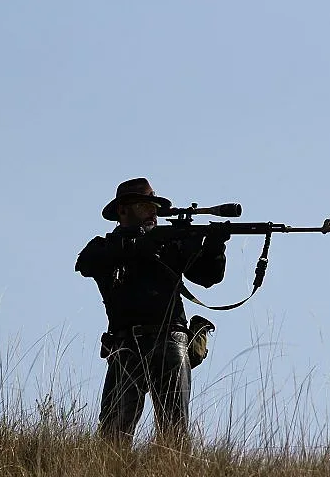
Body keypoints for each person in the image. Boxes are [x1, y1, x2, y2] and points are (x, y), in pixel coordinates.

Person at [75, 178, 230, 445]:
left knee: (174, 428)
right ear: (123, 211)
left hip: (171, 338)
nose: (153, 212)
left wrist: (215, 248)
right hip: (125, 343)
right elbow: (86, 263)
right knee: (114, 431)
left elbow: (207, 277)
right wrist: (137, 246)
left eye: (154, 206)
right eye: (145, 205)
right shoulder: (105, 247)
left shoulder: (168, 245)